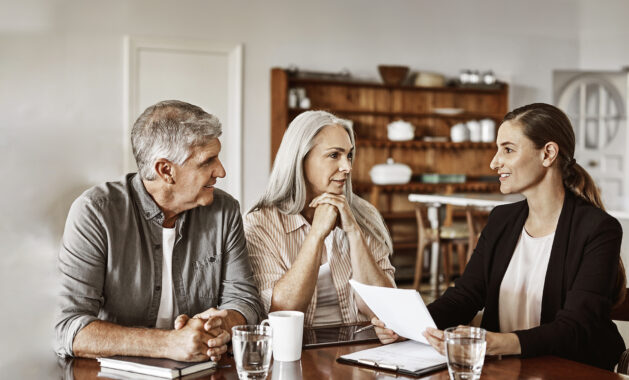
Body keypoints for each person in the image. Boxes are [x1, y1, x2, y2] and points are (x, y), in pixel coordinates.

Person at [373, 103, 627, 370]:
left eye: (508, 149)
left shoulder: (598, 229)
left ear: (548, 153)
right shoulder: (501, 220)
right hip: (505, 370)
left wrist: (496, 342)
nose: (495, 162)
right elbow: (465, 296)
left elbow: (575, 327)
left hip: (571, 371)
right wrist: (409, 326)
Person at [54, 100, 264, 362]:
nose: (220, 171)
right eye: (207, 161)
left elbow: (245, 301)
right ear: (166, 170)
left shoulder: (225, 210)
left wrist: (219, 326)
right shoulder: (96, 212)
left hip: (201, 370)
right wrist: (168, 344)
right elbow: (70, 329)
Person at [244, 110, 395, 327]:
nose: (347, 167)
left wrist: (354, 232)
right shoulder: (260, 224)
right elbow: (283, 312)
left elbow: (385, 310)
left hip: (361, 347)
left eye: (349, 155)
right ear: (300, 159)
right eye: (334, 155)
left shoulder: (364, 215)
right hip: (297, 350)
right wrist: (316, 234)